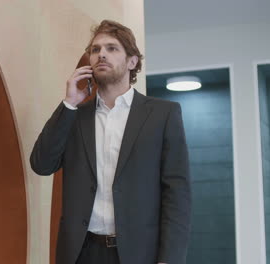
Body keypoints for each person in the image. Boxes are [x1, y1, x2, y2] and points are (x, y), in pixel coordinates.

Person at [30, 20, 191, 264]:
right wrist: (69, 104)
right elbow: (41, 165)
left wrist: (169, 259)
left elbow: (177, 194)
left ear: (132, 62)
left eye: (112, 48)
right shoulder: (75, 116)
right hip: (81, 253)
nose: (101, 54)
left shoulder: (163, 114)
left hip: (139, 254)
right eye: (95, 50)